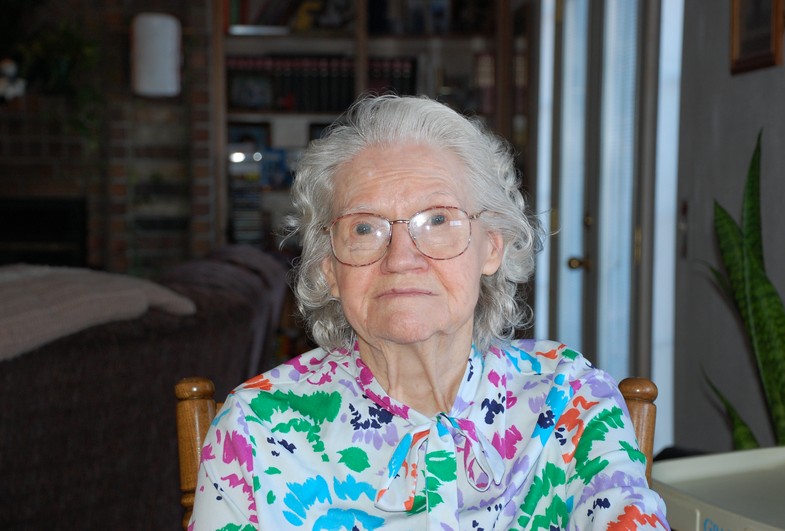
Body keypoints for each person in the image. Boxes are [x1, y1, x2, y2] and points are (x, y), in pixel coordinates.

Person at [190, 94, 669, 530]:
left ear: (492, 247)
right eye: (364, 228)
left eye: (438, 220)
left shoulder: (569, 400)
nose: (401, 258)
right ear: (328, 268)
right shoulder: (256, 429)